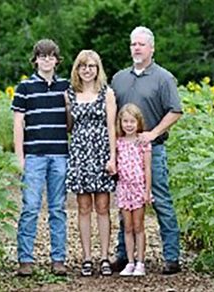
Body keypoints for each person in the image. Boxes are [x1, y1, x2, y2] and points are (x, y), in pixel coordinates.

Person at [111, 26, 183, 275]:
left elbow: (175, 110)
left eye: (141, 44)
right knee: (126, 204)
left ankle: (172, 257)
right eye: (133, 44)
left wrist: (152, 134)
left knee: (160, 200)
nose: (137, 48)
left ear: (152, 48)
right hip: (124, 152)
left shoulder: (163, 78)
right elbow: (113, 115)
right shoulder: (119, 78)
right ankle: (125, 256)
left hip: (153, 151)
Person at [11, 39, 69, 277]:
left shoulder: (66, 87)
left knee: (58, 209)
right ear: (35, 60)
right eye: (42, 56)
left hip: (60, 155)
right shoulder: (24, 88)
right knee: (31, 208)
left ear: (57, 60)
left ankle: (58, 259)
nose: (47, 60)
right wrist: (19, 157)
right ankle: (25, 259)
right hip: (34, 155)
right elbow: (17, 124)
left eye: (51, 56)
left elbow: (70, 122)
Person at [65, 50, 117, 276]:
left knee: (103, 207)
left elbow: (112, 127)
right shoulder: (69, 94)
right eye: (83, 66)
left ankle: (105, 256)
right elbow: (68, 126)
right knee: (84, 207)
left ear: (98, 69)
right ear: (77, 69)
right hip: (79, 153)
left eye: (92, 66)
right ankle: (87, 257)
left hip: (101, 153)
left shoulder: (107, 93)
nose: (87, 70)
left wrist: (113, 157)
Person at [115, 103, 153, 276]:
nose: (129, 125)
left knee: (139, 226)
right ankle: (130, 261)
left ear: (138, 123)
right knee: (127, 227)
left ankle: (140, 262)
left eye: (132, 121)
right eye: (125, 121)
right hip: (124, 188)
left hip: (138, 188)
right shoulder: (118, 142)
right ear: (120, 123)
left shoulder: (142, 143)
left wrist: (147, 191)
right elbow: (115, 164)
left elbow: (147, 168)